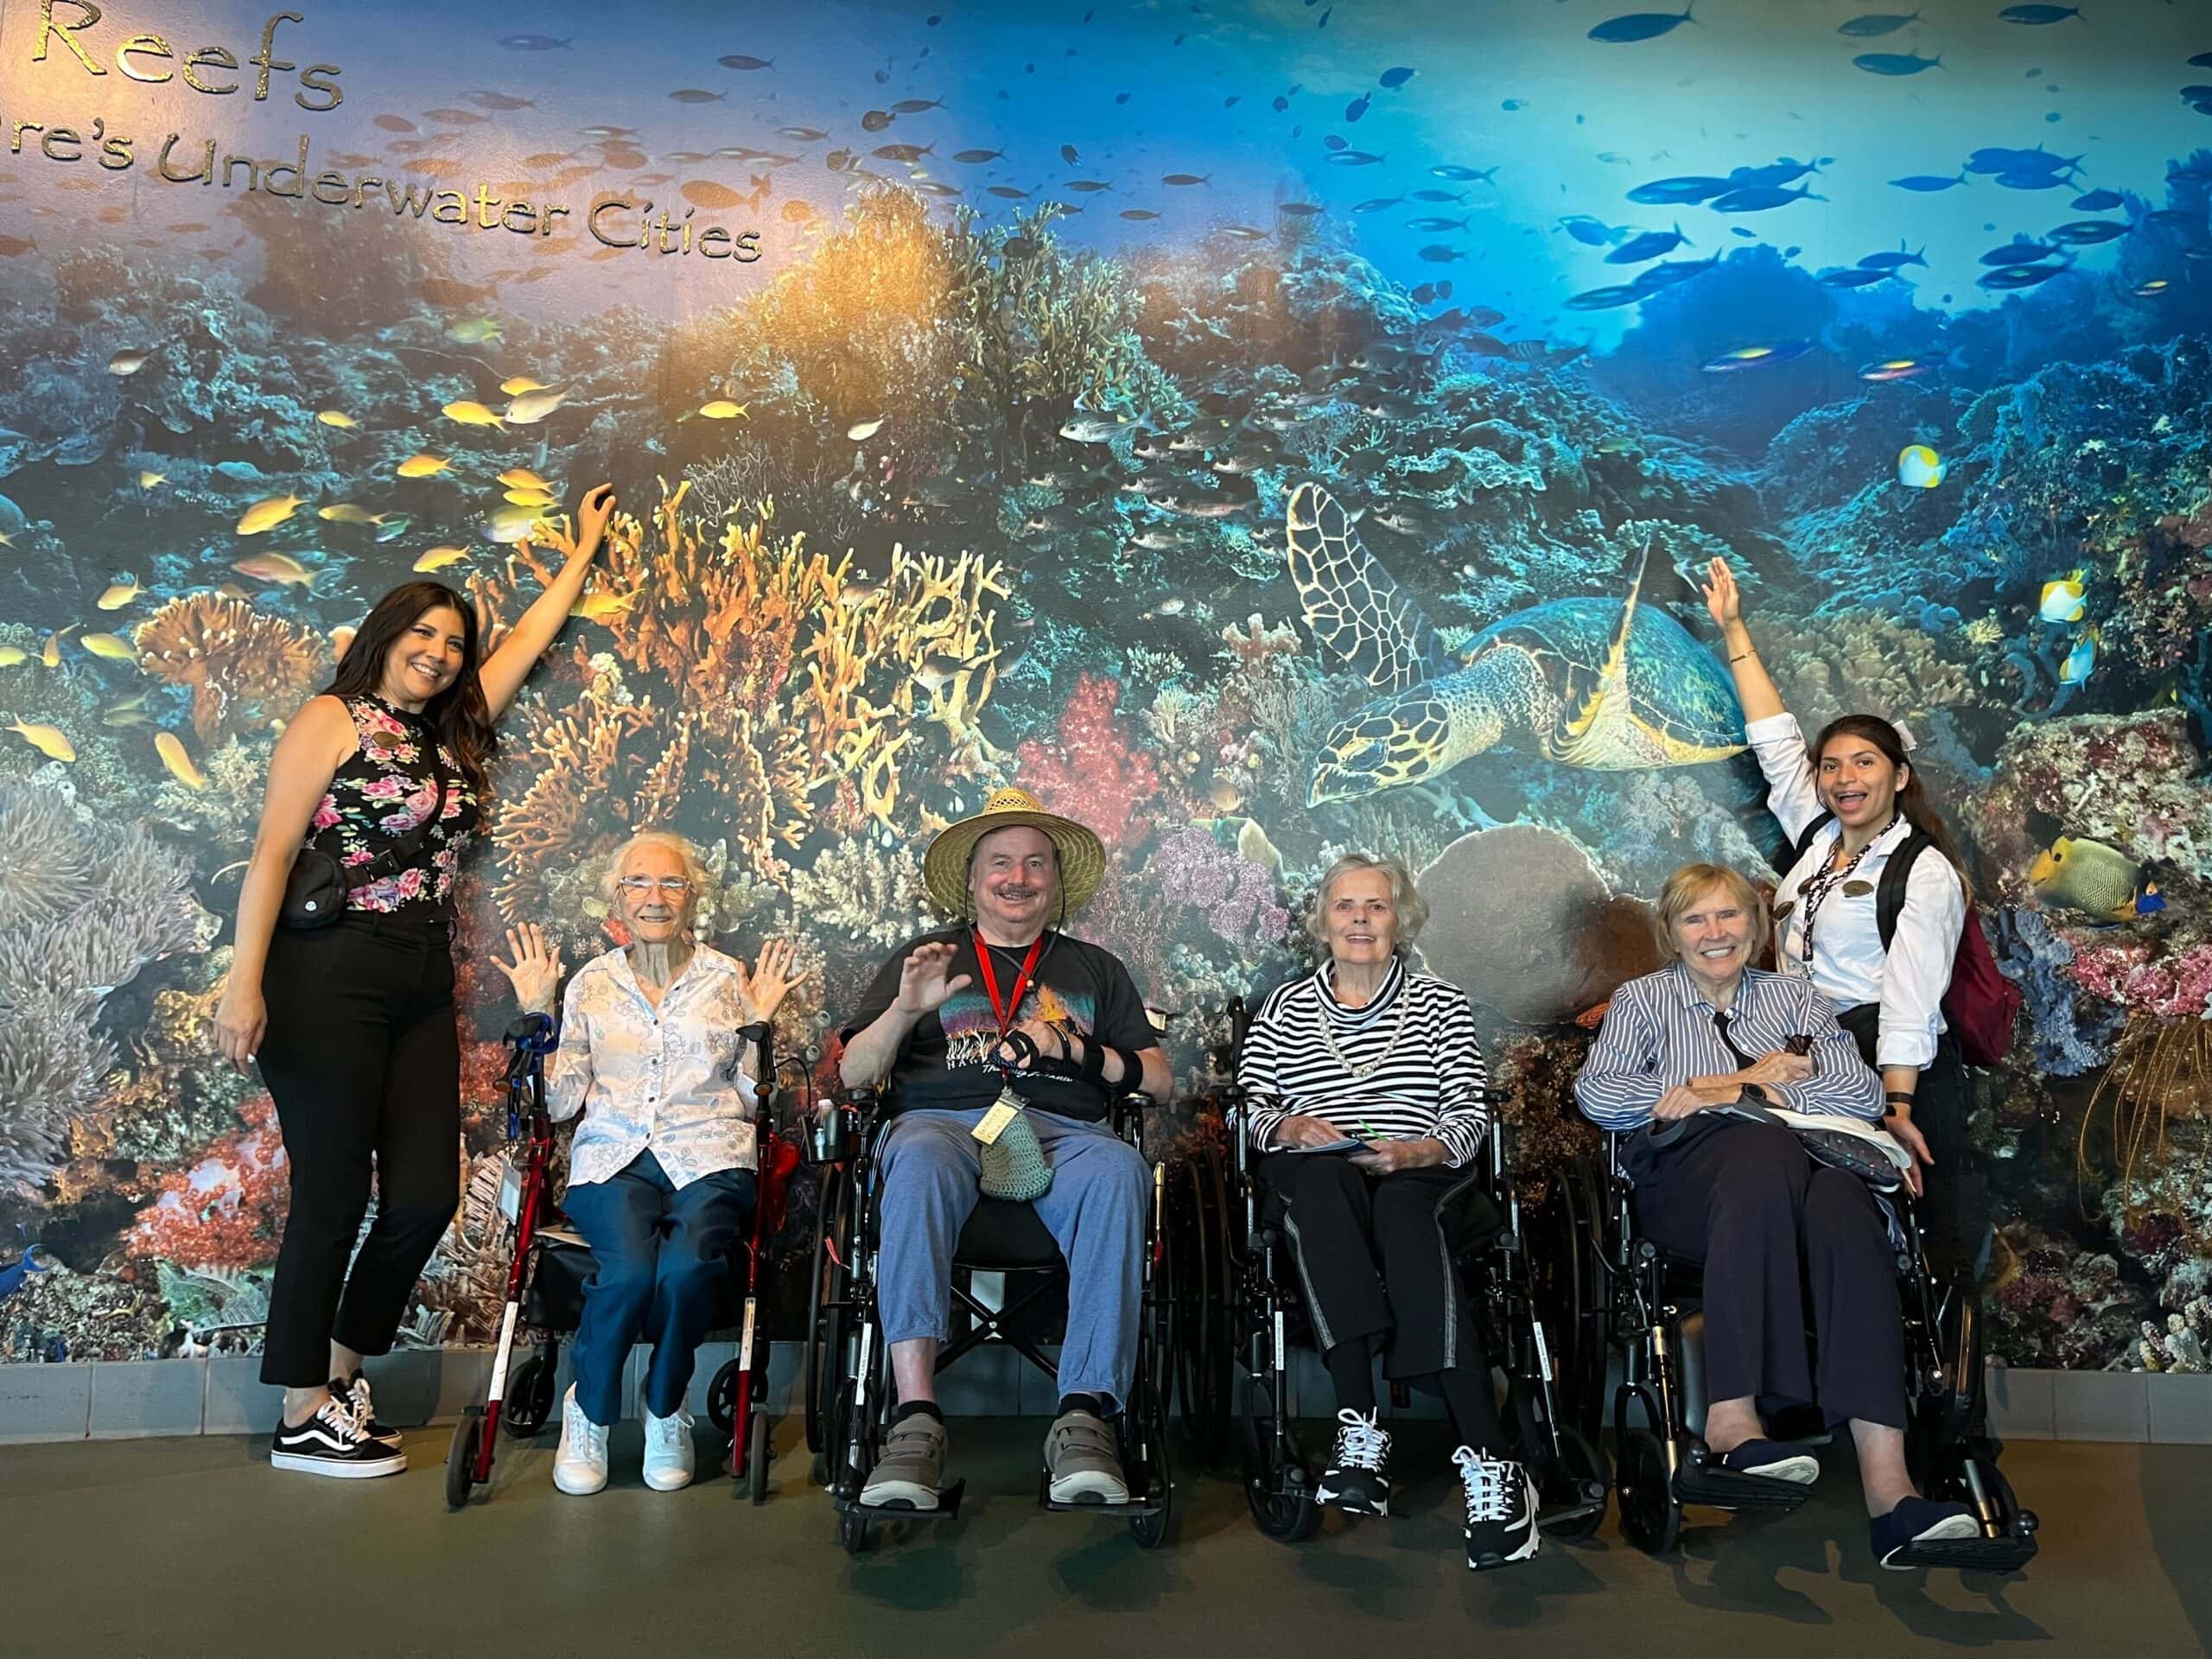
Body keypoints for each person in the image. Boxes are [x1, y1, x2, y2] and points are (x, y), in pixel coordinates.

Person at [213, 485, 620, 1478]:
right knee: (334, 1189)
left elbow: (521, 644)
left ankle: (339, 1372)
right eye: (423, 635)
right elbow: (271, 854)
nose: (439, 652)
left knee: (424, 1196)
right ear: (387, 636)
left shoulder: (451, 732)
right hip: (326, 969)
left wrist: (581, 558)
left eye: (452, 640)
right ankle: (301, 1408)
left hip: (418, 977)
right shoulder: (331, 718)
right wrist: (243, 983)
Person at [1574, 862, 1983, 1567]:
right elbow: (1601, 1095)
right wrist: (1735, 1083)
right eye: (1695, 919)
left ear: (1757, 927)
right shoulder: (1642, 1001)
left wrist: (1719, 1089)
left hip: (1803, 1175)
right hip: (1688, 1188)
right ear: (1671, 934)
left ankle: (1892, 1493)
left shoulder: (1794, 997)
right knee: (1762, 1156)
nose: (1714, 933)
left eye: (1729, 916)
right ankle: (1733, 1421)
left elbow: (1856, 1092)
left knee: (1845, 1206)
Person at [837, 786, 1171, 1511]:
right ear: (973, 877)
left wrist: (1079, 1052)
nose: (1016, 878)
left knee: (1120, 1168)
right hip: (945, 1127)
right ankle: (915, 1420)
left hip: (1065, 1132)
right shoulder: (925, 957)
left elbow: (1162, 1081)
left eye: (1034, 864)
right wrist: (904, 1008)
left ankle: (1085, 1417)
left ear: (1055, 880)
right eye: (1000, 863)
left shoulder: (1094, 968)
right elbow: (853, 1074)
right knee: (919, 1155)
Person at [1239, 854, 1535, 1572]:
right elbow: (1248, 1108)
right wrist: (1288, 1129)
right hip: (1322, 1173)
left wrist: (1421, 1149)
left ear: (1400, 919)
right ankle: (1359, 1425)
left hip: (1418, 1173)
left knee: (1405, 1214)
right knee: (1318, 1187)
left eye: (1376, 906)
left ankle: (1493, 1467)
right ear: (1322, 922)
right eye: (1346, 907)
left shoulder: (1439, 1002)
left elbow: (1469, 1109)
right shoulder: (1282, 1008)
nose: (1361, 919)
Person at [493, 831, 805, 1496]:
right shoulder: (591, 985)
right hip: (614, 1157)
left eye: (671, 885)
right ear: (616, 898)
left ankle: (666, 1409)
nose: (654, 898)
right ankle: (592, 1412)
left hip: (710, 1156)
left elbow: (753, 1101)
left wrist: (759, 1027)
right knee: (630, 1274)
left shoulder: (728, 980)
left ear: (693, 899)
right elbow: (564, 1098)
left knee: (690, 1268)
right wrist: (535, 1012)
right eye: (638, 884)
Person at [1701, 556, 1986, 1281]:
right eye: (1832, 766)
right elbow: (1774, 741)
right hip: (1814, 1056)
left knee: (1923, 1244)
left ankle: (1931, 1392)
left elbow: (1911, 1000)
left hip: (1894, 1063)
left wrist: (1897, 1106)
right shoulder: (1818, 836)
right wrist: (1734, 630)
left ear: (1898, 775)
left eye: (1864, 763)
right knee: (1826, 1234)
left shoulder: (1923, 870)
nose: (1844, 778)